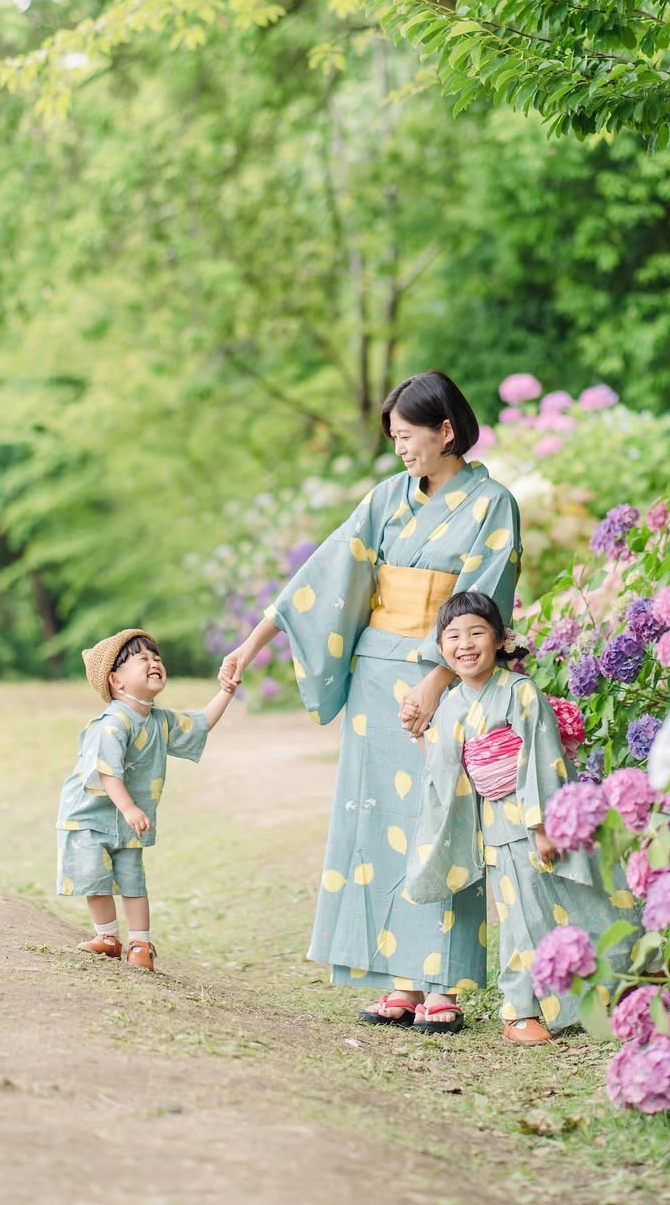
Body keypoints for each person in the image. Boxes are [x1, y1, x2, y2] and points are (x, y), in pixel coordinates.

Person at [219, 371, 521, 1030]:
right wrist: (252, 643)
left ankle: (442, 983)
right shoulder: (388, 498)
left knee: (440, 818)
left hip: (445, 678)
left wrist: (437, 679)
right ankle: (397, 979)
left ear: (446, 430)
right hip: (375, 678)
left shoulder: (492, 504)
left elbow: (484, 599)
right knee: (377, 819)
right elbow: (324, 575)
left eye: (408, 436)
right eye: (394, 438)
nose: (400, 449)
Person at [405, 591, 643, 1044]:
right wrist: (419, 735)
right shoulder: (451, 704)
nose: (465, 644)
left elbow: (542, 756)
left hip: (545, 817)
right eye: (453, 636)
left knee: (591, 894)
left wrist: (542, 825)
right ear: (440, 648)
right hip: (498, 826)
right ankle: (520, 1011)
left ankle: (630, 977)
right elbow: (443, 767)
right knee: (521, 919)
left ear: (499, 639)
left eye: (477, 632)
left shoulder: (520, 691)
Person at [57, 628, 236, 972]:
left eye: (157, 658)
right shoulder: (112, 724)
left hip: (130, 817)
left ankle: (140, 944)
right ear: (117, 681)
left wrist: (226, 692)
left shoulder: (159, 721)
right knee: (96, 878)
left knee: (132, 878)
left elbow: (198, 724)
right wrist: (128, 808)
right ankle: (107, 937)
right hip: (90, 816)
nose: (154, 662)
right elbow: (107, 771)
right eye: (143, 659)